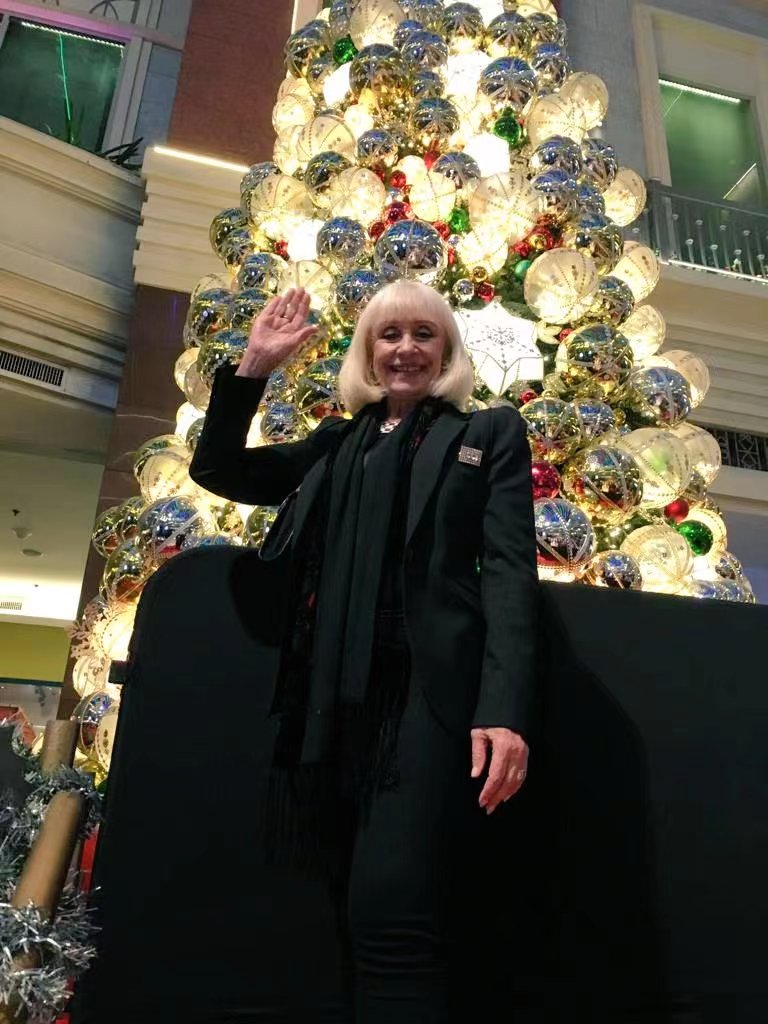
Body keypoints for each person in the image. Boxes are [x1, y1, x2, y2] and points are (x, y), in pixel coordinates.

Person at [189, 279, 538, 1023]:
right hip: (327, 701)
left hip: (423, 701)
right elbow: (219, 471)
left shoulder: (488, 433)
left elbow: (510, 576)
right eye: (389, 334)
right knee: (339, 914)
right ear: (368, 352)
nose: (406, 349)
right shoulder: (337, 442)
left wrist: (504, 711)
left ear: (447, 349)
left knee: (392, 913)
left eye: (424, 334)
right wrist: (253, 368)